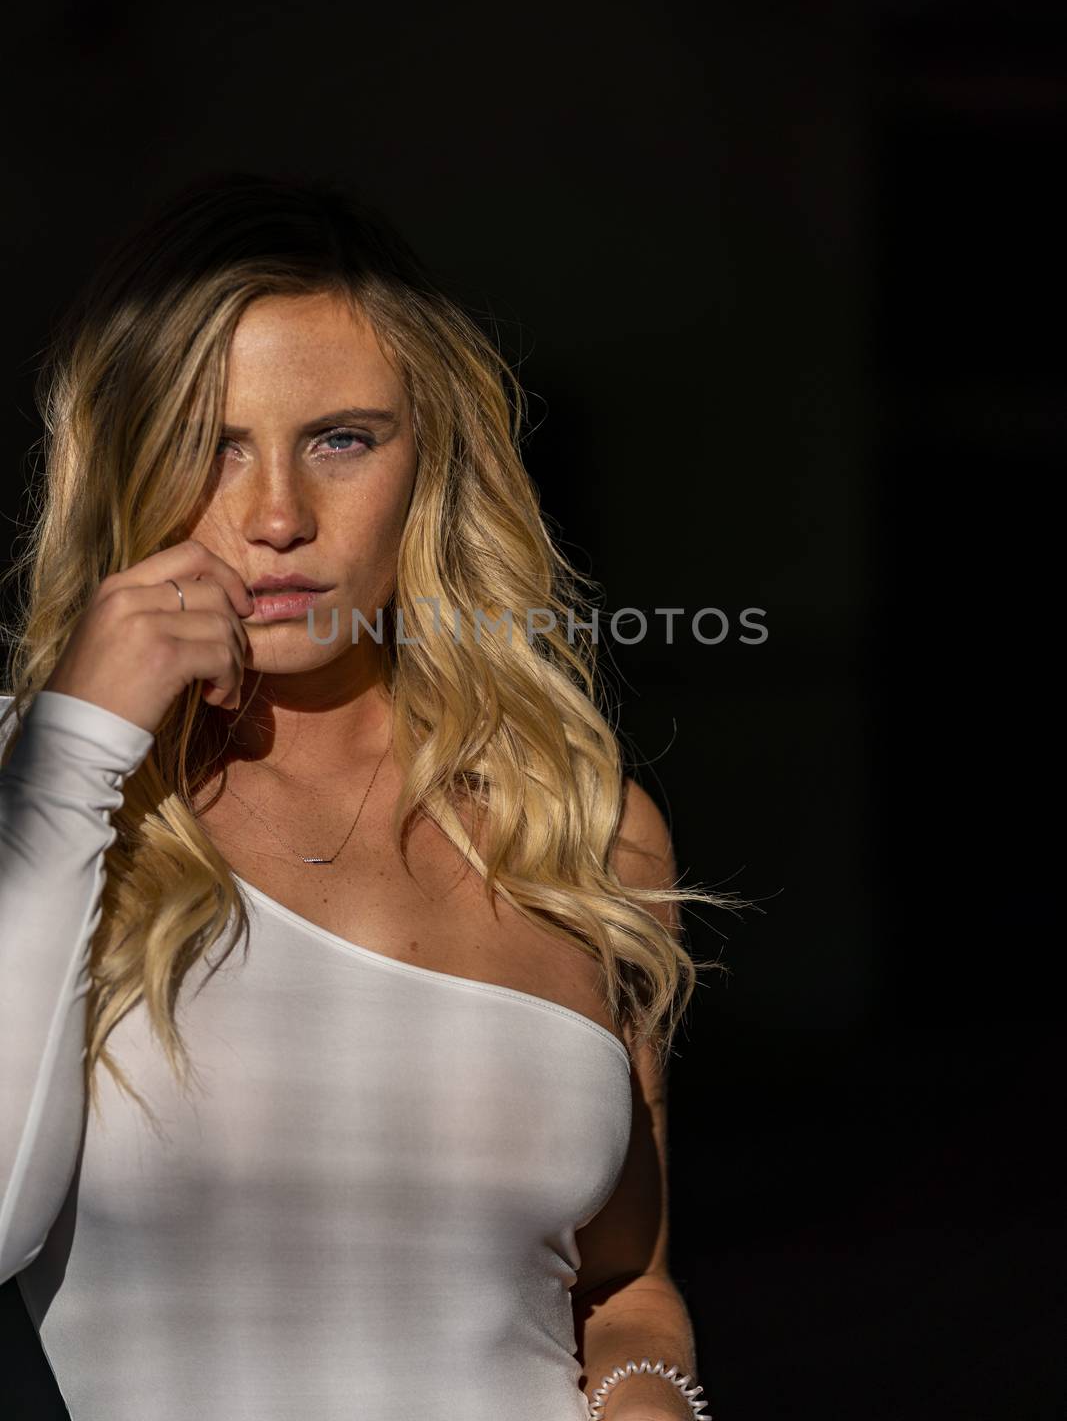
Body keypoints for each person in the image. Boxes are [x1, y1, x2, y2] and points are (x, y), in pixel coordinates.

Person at [0, 172, 738, 1419]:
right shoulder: (42, 785)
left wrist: (647, 1392)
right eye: (208, 441)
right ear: (125, 459)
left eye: (341, 438)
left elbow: (623, 1282)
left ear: (428, 466)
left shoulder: (581, 829)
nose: (276, 515)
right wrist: (77, 743)